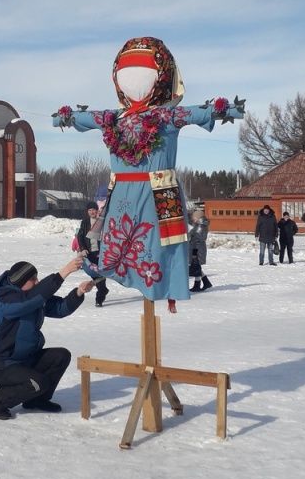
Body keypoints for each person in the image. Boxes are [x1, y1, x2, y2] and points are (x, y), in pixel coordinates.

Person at [51, 36, 243, 313]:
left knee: (161, 241)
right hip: (135, 189)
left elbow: (201, 112)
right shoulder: (120, 118)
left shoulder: (158, 117)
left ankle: (157, 282)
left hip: (154, 189)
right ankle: (114, 269)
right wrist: (64, 117)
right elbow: (79, 118)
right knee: (126, 237)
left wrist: (225, 109)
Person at [0, 255, 94, 420]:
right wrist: (64, 272)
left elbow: (60, 308)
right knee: (38, 382)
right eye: (33, 279)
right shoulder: (6, 298)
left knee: (61, 356)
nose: (37, 282)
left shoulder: (34, 297)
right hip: (4, 363)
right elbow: (27, 301)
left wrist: (79, 292)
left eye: (37, 278)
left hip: (27, 359)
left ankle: (36, 400)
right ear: (20, 281)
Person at [75, 202, 108, 307]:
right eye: (89, 210)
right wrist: (83, 249)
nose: (92, 212)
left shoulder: (102, 221)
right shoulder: (85, 222)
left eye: (93, 209)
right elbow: (80, 236)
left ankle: (100, 298)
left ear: (97, 210)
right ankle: (103, 290)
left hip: (100, 252)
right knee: (95, 274)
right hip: (89, 252)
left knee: (100, 274)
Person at [188, 209, 211, 292]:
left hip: (197, 249)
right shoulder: (199, 225)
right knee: (196, 267)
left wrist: (194, 253)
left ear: (198, 218)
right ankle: (203, 283)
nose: (193, 219)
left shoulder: (200, 226)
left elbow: (197, 238)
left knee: (196, 267)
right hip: (197, 248)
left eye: (194, 217)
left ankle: (199, 284)